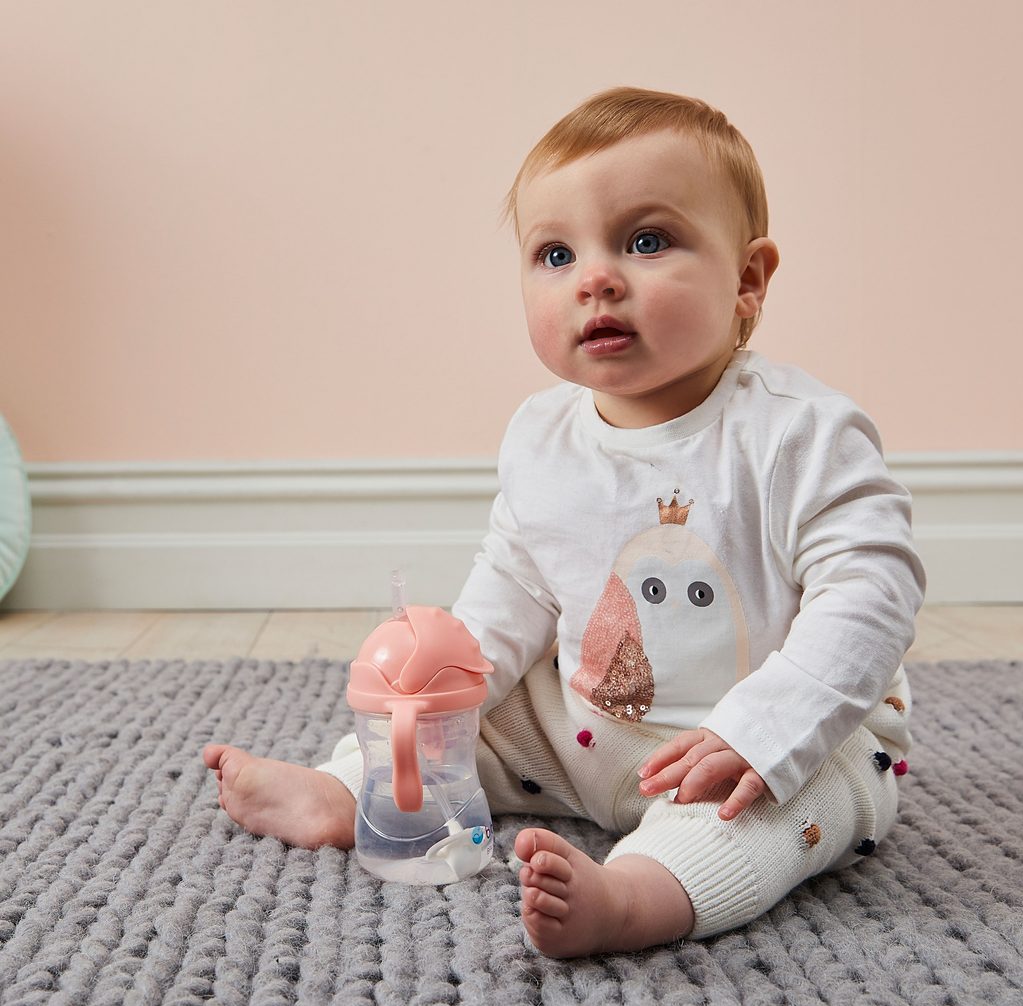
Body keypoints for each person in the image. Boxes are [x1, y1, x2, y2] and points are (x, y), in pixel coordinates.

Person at [204, 86, 925, 958]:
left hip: (767, 740)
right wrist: (450, 678)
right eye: (555, 254)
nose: (595, 278)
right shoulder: (542, 437)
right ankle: (351, 789)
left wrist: (764, 731)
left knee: (786, 802)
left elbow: (872, 591)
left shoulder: (798, 434)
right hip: (587, 727)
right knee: (472, 720)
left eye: (646, 241)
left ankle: (638, 894)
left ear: (747, 280)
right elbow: (516, 581)